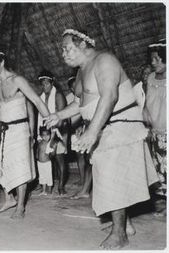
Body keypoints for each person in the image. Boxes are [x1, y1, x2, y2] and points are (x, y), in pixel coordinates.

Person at [46, 29, 158, 249]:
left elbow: (110, 96)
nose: (63, 54)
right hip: (104, 127)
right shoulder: (81, 71)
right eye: (62, 49)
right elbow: (81, 104)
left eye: (67, 48)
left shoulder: (104, 60)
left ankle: (119, 234)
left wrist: (92, 131)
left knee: (112, 180)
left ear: (83, 45)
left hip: (119, 127)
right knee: (110, 180)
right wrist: (58, 115)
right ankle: (126, 225)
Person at [0, 46, 49, 219]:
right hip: (3, 130)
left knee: (20, 166)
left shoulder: (17, 80)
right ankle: (9, 199)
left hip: (20, 129)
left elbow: (35, 101)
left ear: (2, 62)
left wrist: (50, 119)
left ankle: (20, 206)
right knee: (1, 167)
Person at [37, 70, 69, 195]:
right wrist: (42, 134)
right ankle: (46, 184)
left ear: (52, 83)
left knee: (60, 159)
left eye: (47, 83)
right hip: (45, 132)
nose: (45, 86)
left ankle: (61, 186)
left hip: (58, 131)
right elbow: (40, 117)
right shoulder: (41, 97)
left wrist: (54, 136)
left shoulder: (58, 95)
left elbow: (62, 116)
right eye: (42, 84)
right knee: (46, 159)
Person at [144, 39, 166, 198]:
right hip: (155, 133)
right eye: (152, 59)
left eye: (158, 59)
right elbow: (147, 104)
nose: (153, 62)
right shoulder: (150, 78)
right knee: (160, 170)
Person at [66, 76, 92, 199]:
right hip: (83, 129)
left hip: (94, 129)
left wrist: (83, 125)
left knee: (91, 160)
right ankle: (85, 187)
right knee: (87, 159)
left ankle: (87, 188)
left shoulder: (91, 94)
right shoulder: (74, 99)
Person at [35, 126, 57, 195]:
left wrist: (54, 148)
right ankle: (44, 190)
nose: (46, 137)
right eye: (43, 135)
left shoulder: (49, 144)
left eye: (47, 135)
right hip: (40, 163)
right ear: (41, 136)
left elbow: (52, 154)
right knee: (42, 176)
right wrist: (36, 157)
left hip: (47, 163)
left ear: (50, 135)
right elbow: (37, 151)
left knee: (49, 176)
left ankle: (49, 190)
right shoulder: (40, 142)